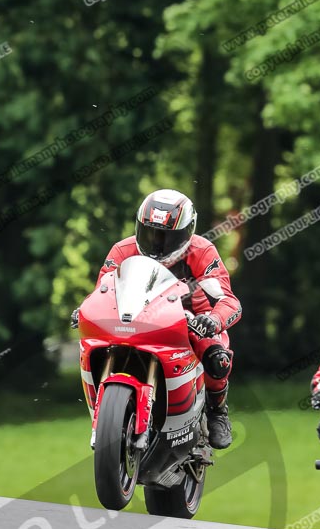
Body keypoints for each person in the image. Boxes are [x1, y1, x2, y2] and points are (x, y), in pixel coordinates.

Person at [71, 189, 242, 449]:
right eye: (150, 233)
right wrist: (84, 309)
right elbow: (101, 291)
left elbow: (229, 301)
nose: (157, 244)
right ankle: (107, 413)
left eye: (167, 237)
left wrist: (214, 320)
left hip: (189, 320)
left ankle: (217, 411)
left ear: (187, 232)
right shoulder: (122, 250)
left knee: (218, 359)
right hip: (136, 318)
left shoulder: (202, 251)